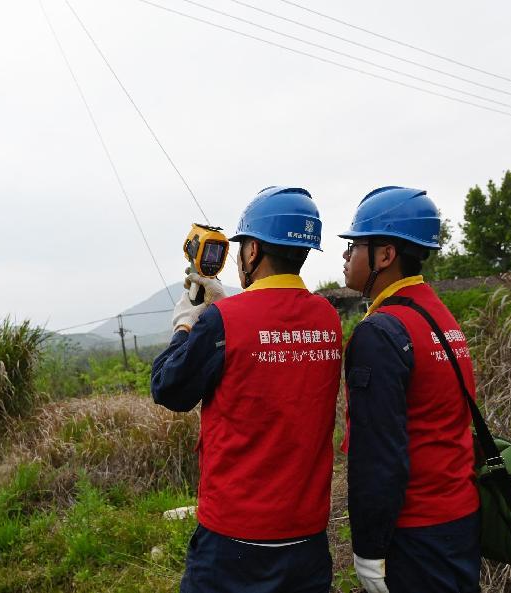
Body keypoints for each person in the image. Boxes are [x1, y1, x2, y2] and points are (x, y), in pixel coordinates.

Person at [151, 186, 342, 593]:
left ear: (252, 251)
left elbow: (170, 389)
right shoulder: (328, 317)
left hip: (233, 538)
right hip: (307, 535)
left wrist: (186, 323)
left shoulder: (224, 320)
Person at [340, 186, 481, 593]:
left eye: (355, 247)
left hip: (417, 532)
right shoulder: (439, 314)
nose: (347, 257)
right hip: (460, 516)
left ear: (385, 256)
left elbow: (379, 456)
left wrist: (368, 550)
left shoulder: (380, 333)